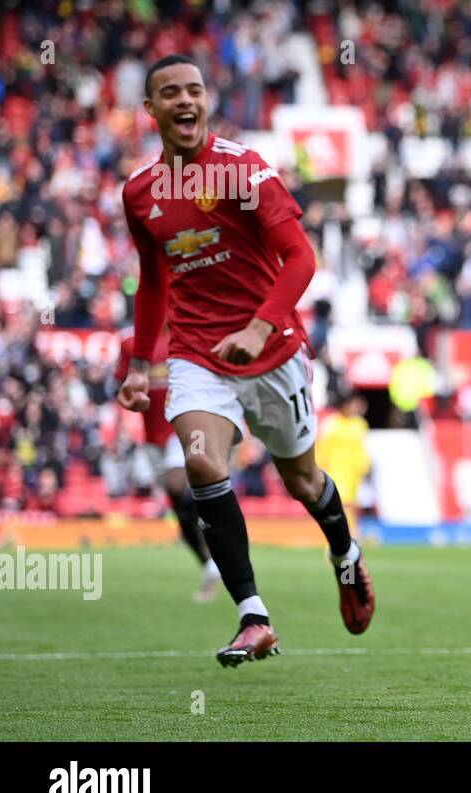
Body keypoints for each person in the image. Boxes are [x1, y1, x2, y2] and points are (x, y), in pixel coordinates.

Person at [117, 54, 375, 667]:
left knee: (302, 482)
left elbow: (301, 258)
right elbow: (153, 283)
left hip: (274, 351)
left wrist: (260, 328)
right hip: (196, 355)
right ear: (150, 110)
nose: (185, 101)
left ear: (206, 101)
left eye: (195, 90)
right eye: (170, 93)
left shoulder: (244, 170)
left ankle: (345, 555)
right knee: (202, 462)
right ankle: (252, 615)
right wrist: (136, 364)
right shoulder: (139, 193)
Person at [113, 326, 221, 602]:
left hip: (180, 427)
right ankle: (207, 560)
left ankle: (214, 534)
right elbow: (119, 386)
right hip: (152, 436)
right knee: (177, 501)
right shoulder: (130, 342)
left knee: (176, 485)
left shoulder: (185, 334)